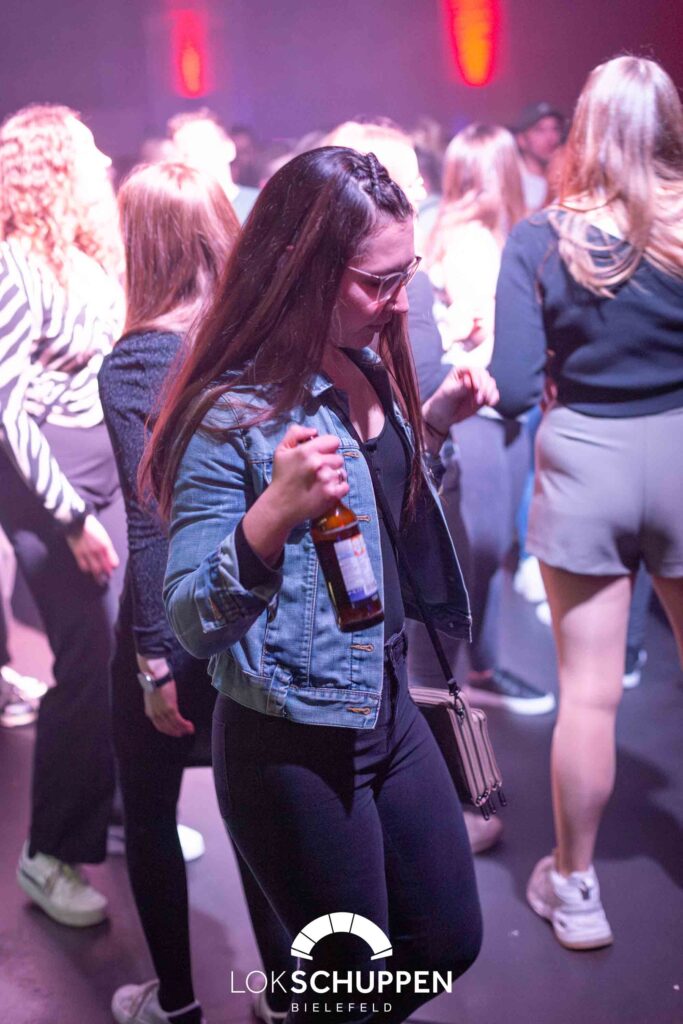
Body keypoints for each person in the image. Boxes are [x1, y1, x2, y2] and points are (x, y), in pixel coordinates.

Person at [145, 147, 495, 1024]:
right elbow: (189, 617)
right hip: (291, 740)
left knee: (447, 940)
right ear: (304, 270)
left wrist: (431, 427)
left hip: (386, 703)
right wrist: (270, 517)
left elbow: (378, 517)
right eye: (379, 282)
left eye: (406, 273)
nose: (400, 301)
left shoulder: (364, 363)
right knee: (347, 989)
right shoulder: (229, 413)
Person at [490, 55, 683, 950]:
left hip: (583, 466)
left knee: (590, 697)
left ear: (583, 131)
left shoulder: (539, 238)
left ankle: (574, 890)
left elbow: (512, 387)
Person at [99, 161, 290, 1024]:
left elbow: (150, 524)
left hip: (180, 617)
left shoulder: (140, 357)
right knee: (263, 811)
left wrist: (151, 658)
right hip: (263, 607)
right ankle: (287, 995)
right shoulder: (265, 336)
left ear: (141, 246)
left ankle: (174, 1004)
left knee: (149, 813)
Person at [0, 104, 126, 925]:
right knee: (87, 661)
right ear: (51, 171)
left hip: (99, 467)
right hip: (53, 484)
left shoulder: (79, 254)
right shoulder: (14, 267)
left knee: (119, 653)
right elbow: (7, 408)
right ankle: (47, 854)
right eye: (87, 151)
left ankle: (104, 815)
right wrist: (72, 517)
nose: (104, 159)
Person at [421, 124, 555, 717]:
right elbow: (474, 325)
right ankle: (454, 684)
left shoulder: (463, 230)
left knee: (485, 548)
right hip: (478, 406)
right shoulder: (473, 239)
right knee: (480, 546)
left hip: (490, 408)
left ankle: (477, 669)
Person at [167, 108, 259, 223]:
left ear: (229, 149)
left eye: (203, 147)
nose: (194, 159)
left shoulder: (262, 205)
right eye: (185, 154)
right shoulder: (176, 218)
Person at [512, 102, 564, 212]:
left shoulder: (564, 178)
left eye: (555, 129)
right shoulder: (514, 183)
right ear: (521, 140)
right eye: (539, 130)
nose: (551, 138)